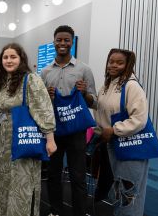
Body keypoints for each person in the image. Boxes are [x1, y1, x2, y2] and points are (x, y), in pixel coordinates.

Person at [0, 43, 57, 216]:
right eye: (5, 57)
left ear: (21, 59)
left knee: (21, 185)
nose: (9, 60)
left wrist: (50, 139)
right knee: (1, 184)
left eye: (13, 57)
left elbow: (43, 108)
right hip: (2, 146)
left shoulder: (31, 79)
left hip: (22, 140)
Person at [41, 25, 96, 216]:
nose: (62, 43)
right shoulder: (46, 72)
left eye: (66, 40)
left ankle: (79, 213)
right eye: (59, 40)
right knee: (54, 174)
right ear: (54, 41)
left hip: (76, 131)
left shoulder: (84, 69)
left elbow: (93, 101)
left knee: (78, 176)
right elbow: (40, 104)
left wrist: (84, 94)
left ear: (72, 42)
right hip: (54, 131)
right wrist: (46, 96)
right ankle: (55, 210)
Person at [93, 49, 149, 216]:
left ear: (128, 65)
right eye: (111, 61)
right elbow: (103, 109)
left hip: (130, 146)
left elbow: (139, 118)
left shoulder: (131, 85)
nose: (114, 65)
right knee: (117, 191)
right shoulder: (107, 84)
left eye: (119, 62)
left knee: (129, 194)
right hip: (111, 145)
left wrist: (114, 130)